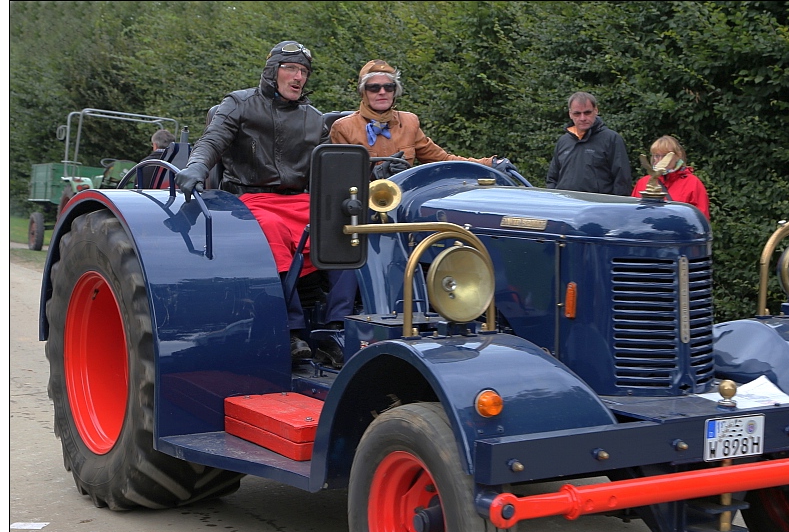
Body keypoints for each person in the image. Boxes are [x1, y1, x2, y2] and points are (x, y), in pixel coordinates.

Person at [175, 40, 348, 364]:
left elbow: (329, 166)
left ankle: (334, 329)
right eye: (291, 69)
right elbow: (212, 140)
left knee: (346, 228)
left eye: (304, 71)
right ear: (273, 72)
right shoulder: (239, 104)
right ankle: (293, 330)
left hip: (299, 200)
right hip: (249, 198)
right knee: (271, 229)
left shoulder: (314, 119)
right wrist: (197, 165)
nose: (298, 77)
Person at [330, 59, 509, 178]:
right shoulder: (343, 128)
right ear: (363, 92)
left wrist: (489, 164)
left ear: (395, 91)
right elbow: (339, 179)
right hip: (363, 208)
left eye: (389, 87)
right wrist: (373, 174)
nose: (382, 92)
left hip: (404, 203)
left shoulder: (409, 122)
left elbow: (442, 159)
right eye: (374, 88)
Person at [546, 92, 632, 196]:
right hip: (566, 207)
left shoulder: (611, 139)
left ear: (596, 110)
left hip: (597, 208)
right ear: (570, 114)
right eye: (577, 114)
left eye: (587, 113)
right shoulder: (563, 141)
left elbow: (622, 181)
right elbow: (552, 179)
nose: (582, 118)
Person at [630, 135, 710, 219]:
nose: (660, 160)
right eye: (656, 156)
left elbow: (701, 219)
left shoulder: (693, 183)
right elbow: (632, 214)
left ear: (678, 156)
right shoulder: (643, 182)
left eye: (665, 156)